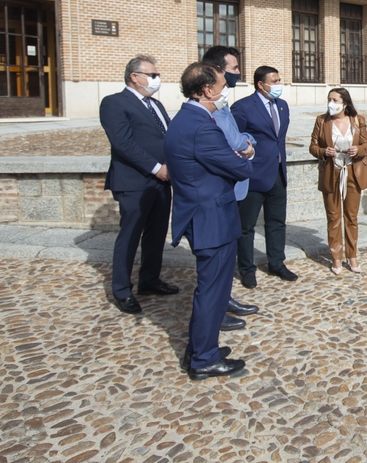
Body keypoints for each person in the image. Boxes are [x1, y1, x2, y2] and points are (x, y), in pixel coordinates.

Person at [166, 62, 253, 380]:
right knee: (212, 291)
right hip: (211, 219)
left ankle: (200, 348)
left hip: (201, 213)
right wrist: (244, 156)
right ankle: (204, 358)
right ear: (206, 90)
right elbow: (240, 168)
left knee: (211, 289)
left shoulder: (185, 118)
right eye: (221, 85)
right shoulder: (202, 126)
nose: (225, 90)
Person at [99, 55, 179, 315]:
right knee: (130, 236)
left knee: (156, 234)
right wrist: (157, 168)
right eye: (152, 75)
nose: (157, 80)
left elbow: (166, 138)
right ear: (135, 76)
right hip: (135, 182)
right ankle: (122, 290)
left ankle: (150, 280)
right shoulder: (114, 103)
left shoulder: (154, 104)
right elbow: (123, 144)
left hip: (161, 182)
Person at [201, 45, 259, 327]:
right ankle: (214, 312)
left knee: (227, 253)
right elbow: (224, 144)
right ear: (218, 71)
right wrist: (244, 148)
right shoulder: (206, 110)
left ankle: (225, 299)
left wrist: (247, 143)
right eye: (234, 69)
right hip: (218, 191)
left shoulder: (222, 105)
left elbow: (235, 136)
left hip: (232, 189)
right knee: (217, 256)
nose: (238, 74)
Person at [231, 66, 294, 285]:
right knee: (246, 225)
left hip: (278, 172)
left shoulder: (283, 106)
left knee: (276, 222)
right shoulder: (243, 107)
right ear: (261, 84)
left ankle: (277, 263)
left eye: (279, 80)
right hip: (253, 175)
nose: (279, 85)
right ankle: (247, 268)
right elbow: (234, 140)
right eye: (274, 81)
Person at [309, 88, 367, 275]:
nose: (331, 103)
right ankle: (336, 257)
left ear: (345, 104)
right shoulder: (322, 121)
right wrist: (323, 152)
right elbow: (312, 146)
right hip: (331, 173)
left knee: (351, 217)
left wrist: (358, 150)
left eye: (335, 100)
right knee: (333, 217)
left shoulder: (357, 120)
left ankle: (352, 255)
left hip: (353, 173)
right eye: (329, 99)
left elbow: (366, 144)